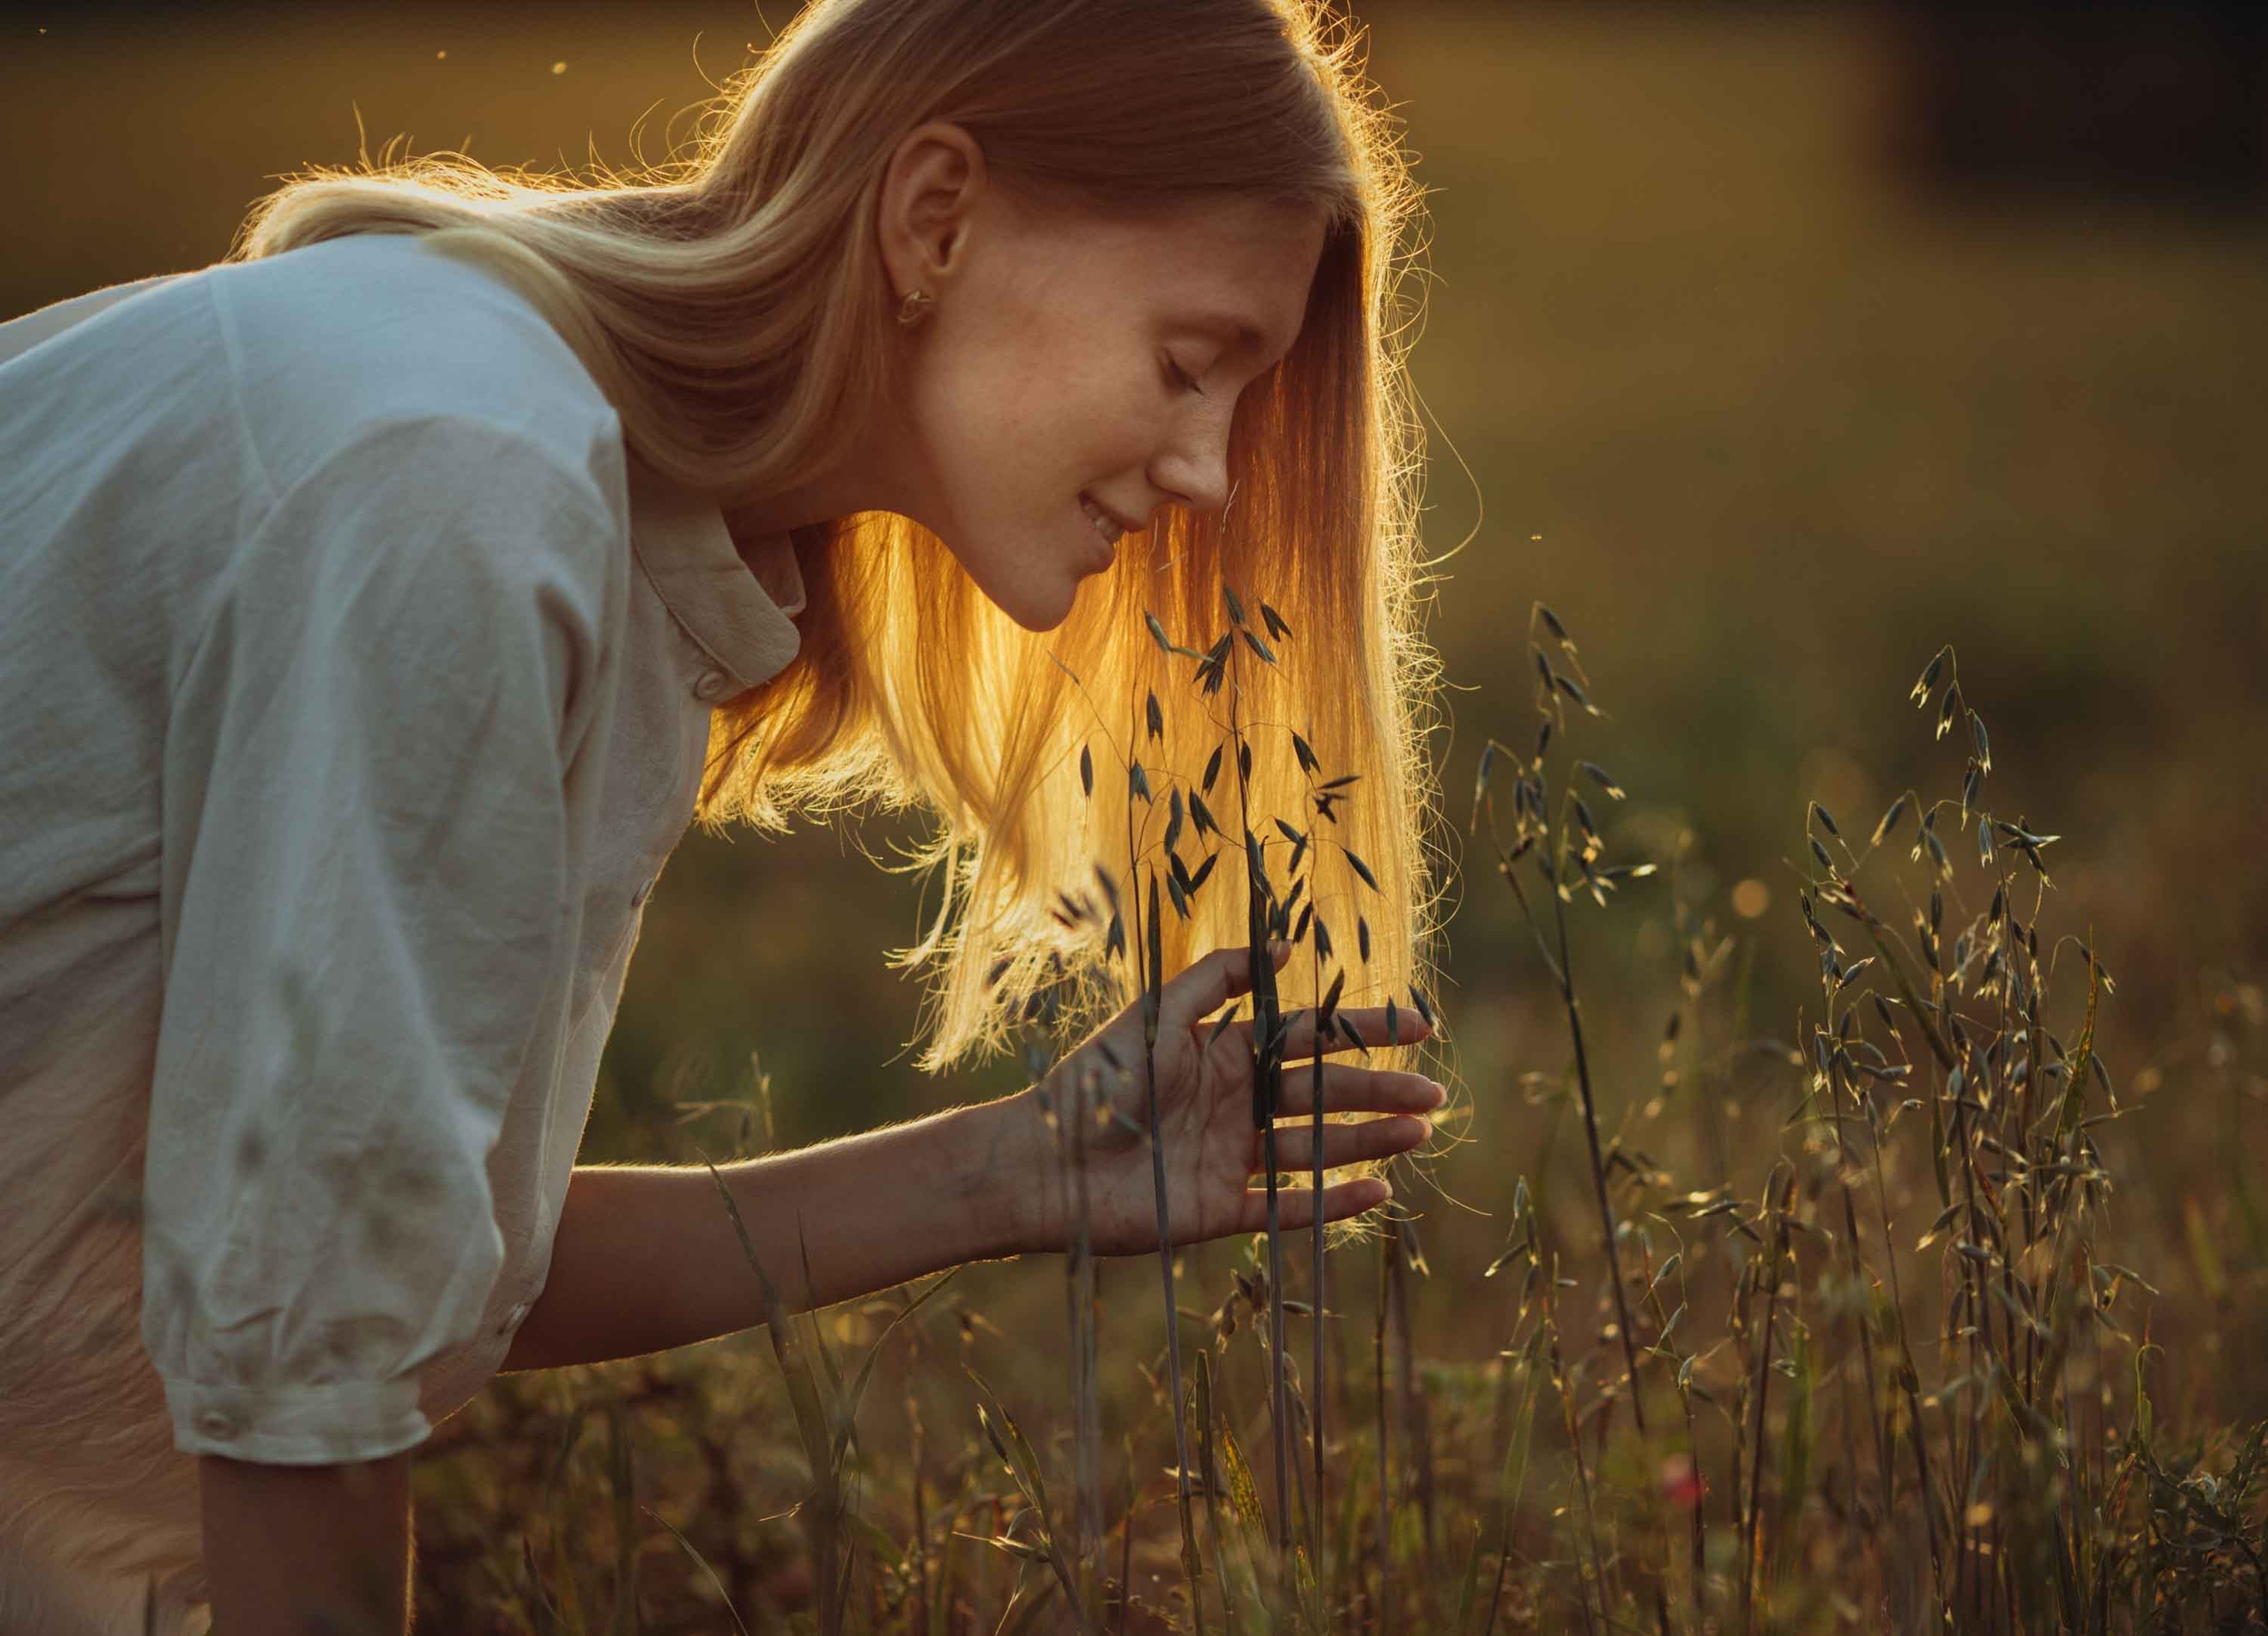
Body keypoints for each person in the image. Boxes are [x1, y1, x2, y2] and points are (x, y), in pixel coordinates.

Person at [0, 0, 1449, 1628]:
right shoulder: (454, 485)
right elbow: (306, 1377)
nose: (1214, 474)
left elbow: (420, 1262)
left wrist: (1023, 1170)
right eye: (1190, 366)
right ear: (935, 219)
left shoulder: (564, 484)